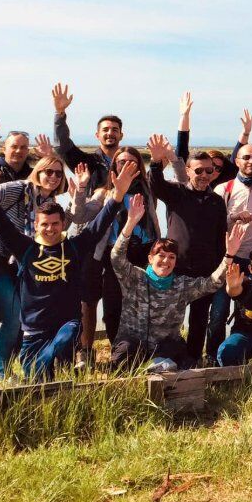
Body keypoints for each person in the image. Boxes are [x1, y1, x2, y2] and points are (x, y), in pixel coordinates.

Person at [0, 147, 135, 380]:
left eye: (55, 224)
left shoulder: (74, 247)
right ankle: (29, 368)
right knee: (38, 378)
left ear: (63, 225)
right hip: (33, 331)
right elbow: (2, 224)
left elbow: (98, 225)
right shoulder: (25, 248)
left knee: (66, 344)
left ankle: (45, 364)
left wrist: (118, 196)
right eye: (44, 225)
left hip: (65, 329)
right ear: (37, 225)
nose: (50, 229)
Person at [0, 150, 71, 382]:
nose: (53, 176)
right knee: (12, 315)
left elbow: (61, 228)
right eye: (48, 171)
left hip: (12, 261)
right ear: (38, 171)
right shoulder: (18, 189)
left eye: (58, 173)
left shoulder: (48, 203)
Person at [109, 195, 246, 372]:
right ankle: (140, 370)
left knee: (186, 366)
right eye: (161, 256)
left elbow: (212, 283)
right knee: (122, 358)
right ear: (150, 258)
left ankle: (158, 366)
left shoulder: (182, 285)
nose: (166, 261)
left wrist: (229, 255)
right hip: (135, 346)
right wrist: (131, 223)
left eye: (171, 257)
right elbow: (116, 257)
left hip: (165, 347)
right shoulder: (134, 277)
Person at [68, 146, 161, 365]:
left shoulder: (148, 190)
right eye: (121, 162)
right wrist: (81, 188)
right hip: (114, 254)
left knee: (141, 305)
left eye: (132, 161)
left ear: (139, 165)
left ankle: (140, 352)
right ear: (114, 166)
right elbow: (79, 216)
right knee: (113, 305)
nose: (126, 165)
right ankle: (117, 352)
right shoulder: (104, 192)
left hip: (143, 252)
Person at [146, 133, 228, 365]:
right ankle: (159, 355)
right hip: (177, 269)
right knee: (168, 317)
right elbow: (156, 185)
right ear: (189, 171)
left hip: (205, 272)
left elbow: (220, 236)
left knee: (200, 319)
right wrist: (155, 161)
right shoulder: (177, 192)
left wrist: (222, 266)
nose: (203, 175)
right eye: (198, 171)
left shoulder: (216, 201)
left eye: (208, 171)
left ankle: (193, 359)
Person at [51, 82, 123, 189]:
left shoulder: (130, 162)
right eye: (105, 130)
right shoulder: (86, 163)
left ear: (121, 135)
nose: (110, 133)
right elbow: (62, 145)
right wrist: (59, 113)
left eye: (115, 130)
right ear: (97, 135)